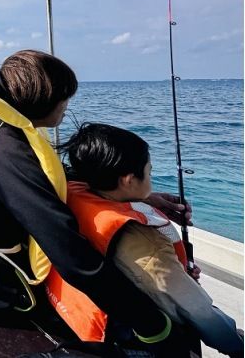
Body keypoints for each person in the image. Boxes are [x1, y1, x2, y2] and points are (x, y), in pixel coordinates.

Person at [0, 49, 193, 356]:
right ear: (42, 101)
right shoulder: (8, 154)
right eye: (65, 97)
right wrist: (152, 325)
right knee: (146, 335)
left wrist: (141, 195)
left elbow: (50, 175)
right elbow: (71, 254)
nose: (68, 105)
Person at [50, 123, 243, 357]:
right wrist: (235, 342)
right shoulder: (142, 241)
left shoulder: (72, 191)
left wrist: (147, 200)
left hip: (79, 322)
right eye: (150, 172)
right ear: (128, 180)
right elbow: (195, 309)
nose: (150, 176)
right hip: (135, 341)